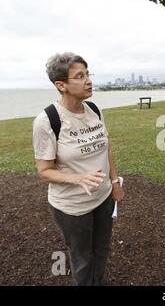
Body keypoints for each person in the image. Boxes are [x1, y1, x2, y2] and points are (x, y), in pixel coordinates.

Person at [32, 52, 124, 285]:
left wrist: (114, 183)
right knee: (83, 257)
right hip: (72, 206)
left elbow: (107, 147)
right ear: (61, 85)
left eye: (88, 73)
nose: (88, 80)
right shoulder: (47, 120)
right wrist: (77, 178)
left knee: (102, 250)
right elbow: (44, 170)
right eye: (80, 76)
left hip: (103, 198)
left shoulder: (93, 109)